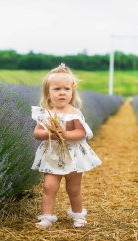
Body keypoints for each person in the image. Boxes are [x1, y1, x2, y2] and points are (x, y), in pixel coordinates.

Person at [31, 63, 102, 229]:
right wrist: (51, 134)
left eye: (66, 89)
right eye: (56, 89)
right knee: (49, 186)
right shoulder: (45, 113)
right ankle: (47, 217)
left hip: (72, 156)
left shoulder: (74, 113)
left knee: (73, 188)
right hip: (52, 155)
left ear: (72, 92)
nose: (62, 92)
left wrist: (66, 134)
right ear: (48, 93)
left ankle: (78, 215)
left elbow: (81, 133)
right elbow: (37, 133)